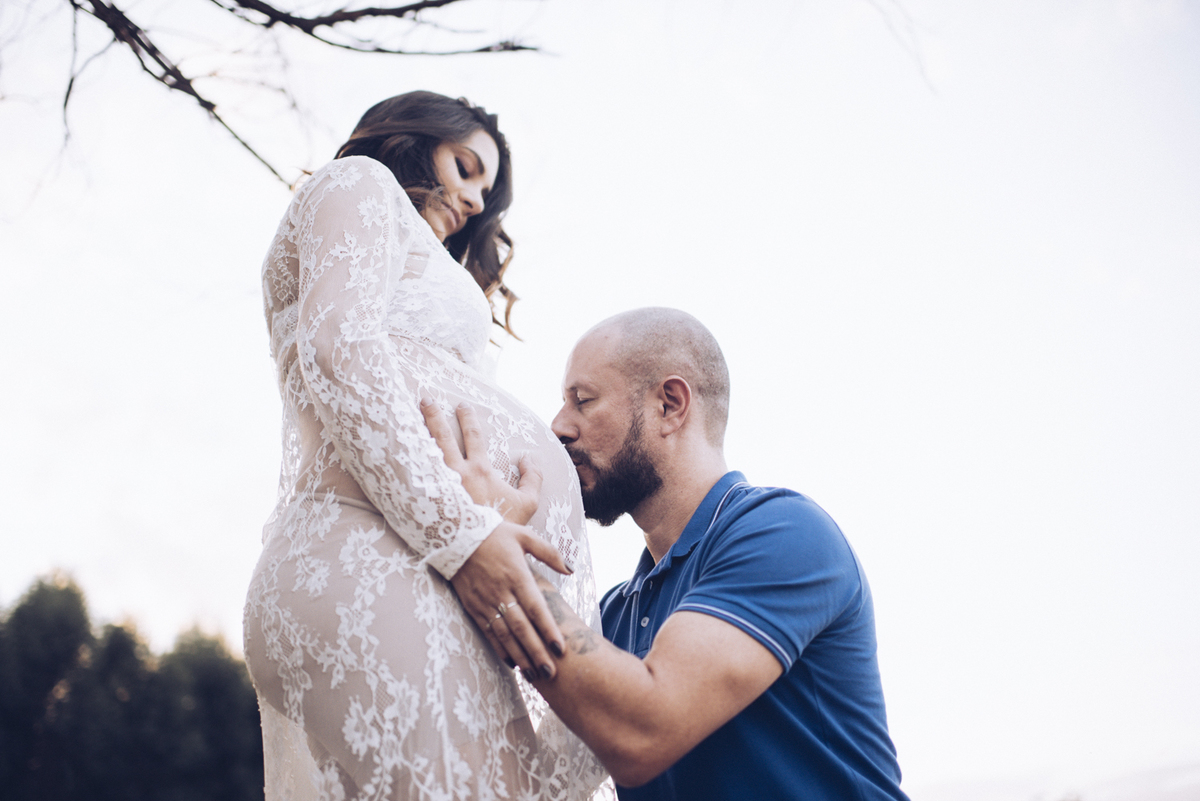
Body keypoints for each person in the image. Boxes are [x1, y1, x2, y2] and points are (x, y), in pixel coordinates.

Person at [242, 91, 609, 801]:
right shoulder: (359, 183)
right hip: (380, 554)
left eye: (485, 190)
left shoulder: (418, 262)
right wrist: (464, 537)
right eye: (465, 166)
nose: (473, 199)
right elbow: (338, 347)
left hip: (423, 567)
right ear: (411, 136)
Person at [424, 308, 909, 800]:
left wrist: (496, 543)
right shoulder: (610, 615)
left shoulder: (786, 534)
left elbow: (642, 731)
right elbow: (538, 781)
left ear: (670, 405)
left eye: (583, 401)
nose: (558, 426)